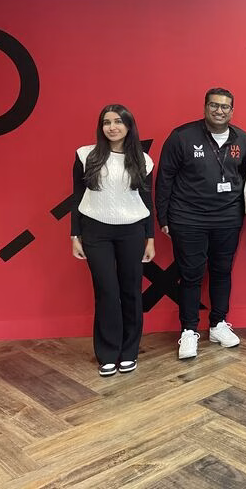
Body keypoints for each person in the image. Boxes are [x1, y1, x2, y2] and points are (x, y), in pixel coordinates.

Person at [156, 87, 246, 359]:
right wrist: (163, 217)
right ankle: (188, 330)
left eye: (225, 107)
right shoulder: (182, 137)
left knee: (222, 272)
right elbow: (165, 178)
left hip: (228, 218)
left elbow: (245, 175)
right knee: (191, 276)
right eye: (214, 105)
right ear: (205, 107)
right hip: (188, 218)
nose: (219, 111)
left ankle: (218, 324)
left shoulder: (243, 139)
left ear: (232, 111)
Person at [71, 105, 155, 376]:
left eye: (118, 121)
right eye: (106, 122)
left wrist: (150, 238)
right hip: (95, 233)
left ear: (129, 126)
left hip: (132, 232)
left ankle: (129, 352)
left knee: (131, 291)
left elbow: (147, 201)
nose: (112, 127)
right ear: (101, 127)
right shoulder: (85, 155)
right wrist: (74, 235)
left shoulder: (143, 160)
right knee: (106, 291)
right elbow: (77, 196)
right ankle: (107, 353)